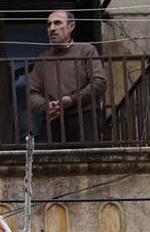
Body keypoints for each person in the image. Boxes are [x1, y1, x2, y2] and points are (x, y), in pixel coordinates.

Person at [27, 10, 106, 143]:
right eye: (49, 25)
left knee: (85, 160)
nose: (52, 28)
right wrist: (47, 106)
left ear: (71, 26)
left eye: (57, 23)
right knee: (52, 162)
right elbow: (33, 93)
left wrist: (72, 100)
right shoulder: (43, 59)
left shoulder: (86, 50)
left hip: (83, 117)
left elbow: (99, 82)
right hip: (53, 121)